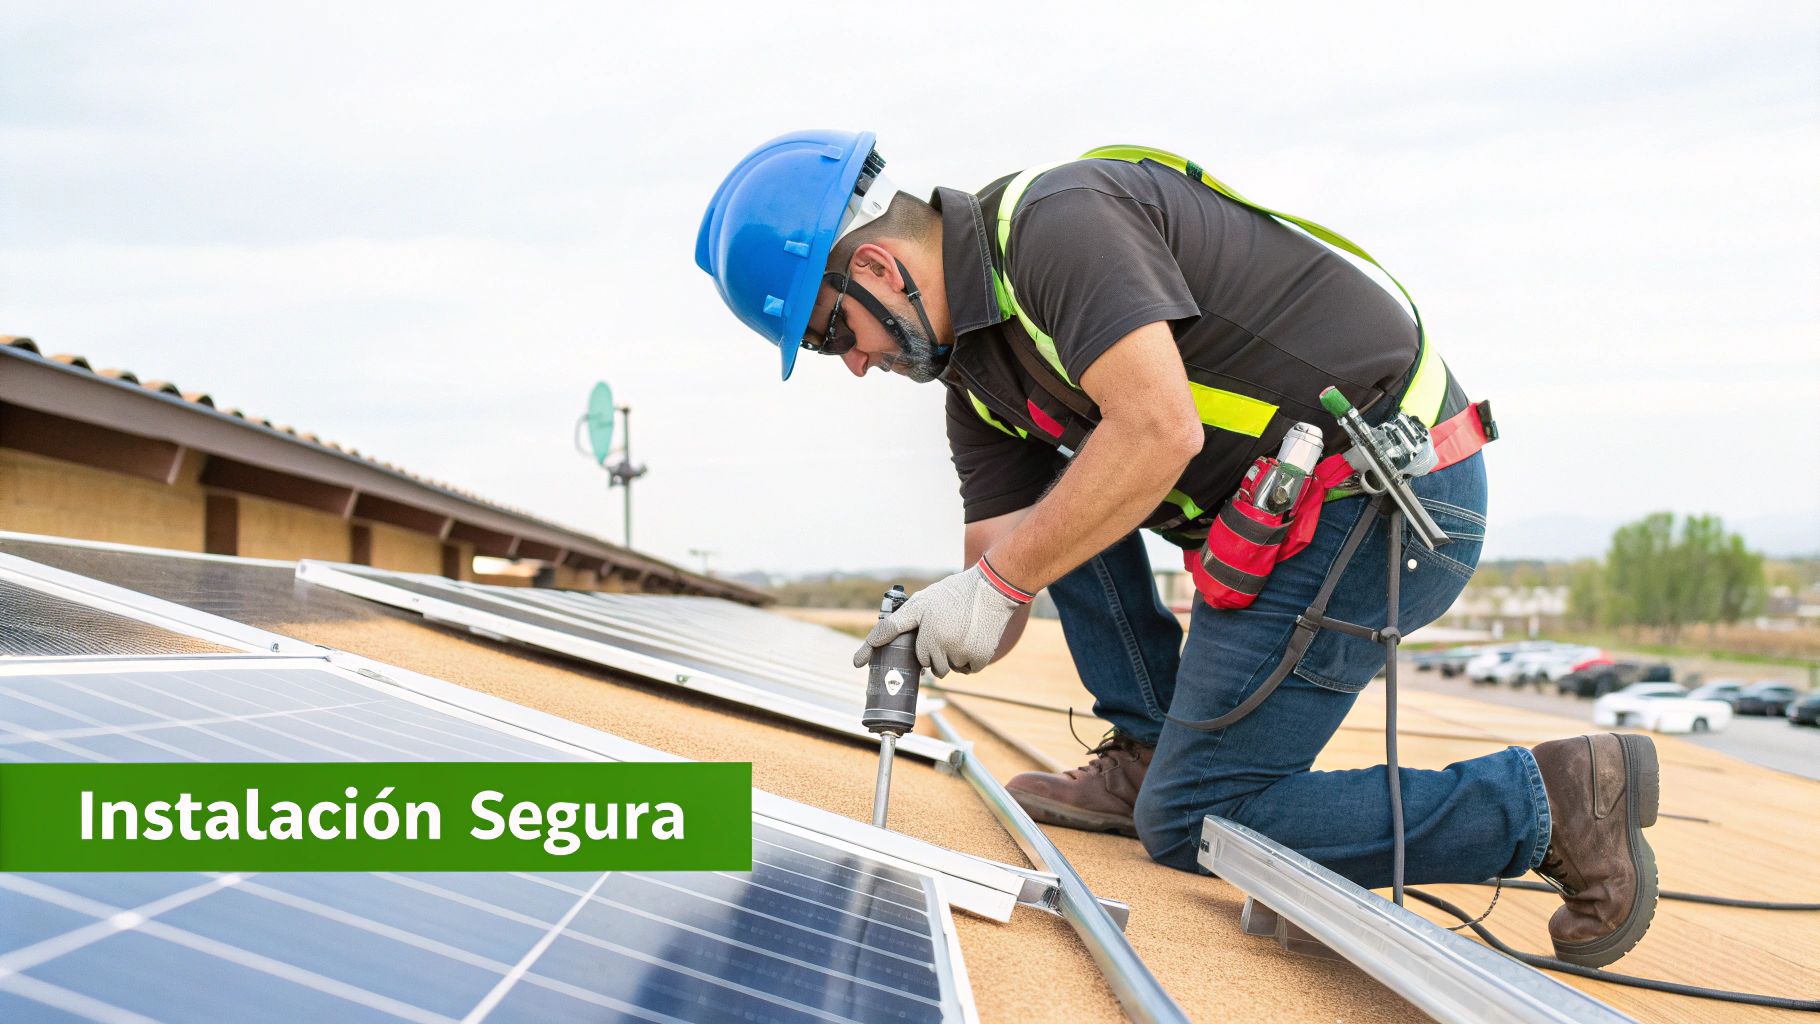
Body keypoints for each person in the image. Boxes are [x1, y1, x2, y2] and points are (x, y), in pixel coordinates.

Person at [695, 129, 1660, 966]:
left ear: (872, 267)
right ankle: (1152, 742)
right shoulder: (979, 384)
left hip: (1392, 500)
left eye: (831, 335)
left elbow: (1159, 432)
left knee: (1201, 821)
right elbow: (1006, 569)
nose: (856, 361)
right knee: (1057, 505)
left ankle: (1550, 801)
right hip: (1291, 523)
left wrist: (1000, 577)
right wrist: (946, 616)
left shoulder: (1056, 226)